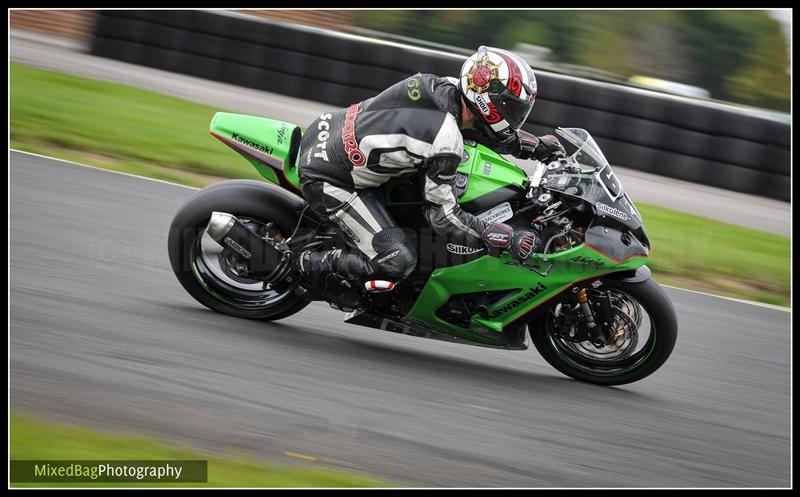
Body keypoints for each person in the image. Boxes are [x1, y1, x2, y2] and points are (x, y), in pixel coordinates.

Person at [294, 46, 566, 295]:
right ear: (489, 101)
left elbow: (482, 131)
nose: (515, 116)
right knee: (397, 261)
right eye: (511, 107)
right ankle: (302, 265)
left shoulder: (446, 87)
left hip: (328, 130)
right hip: (330, 178)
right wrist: (497, 235)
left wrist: (536, 147)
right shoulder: (446, 138)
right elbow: (443, 216)